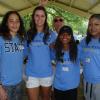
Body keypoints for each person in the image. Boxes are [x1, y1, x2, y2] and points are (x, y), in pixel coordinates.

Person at [25, 6, 56, 100]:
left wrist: (53, 49)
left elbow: (53, 56)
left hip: (46, 74)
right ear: (33, 17)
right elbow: (24, 53)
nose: (39, 18)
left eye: (42, 16)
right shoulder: (28, 34)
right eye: (37, 15)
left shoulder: (51, 34)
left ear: (46, 18)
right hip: (31, 74)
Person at [0, 11, 25, 100]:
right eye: (11, 21)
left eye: (17, 21)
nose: (15, 24)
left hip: (19, 82)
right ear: (6, 23)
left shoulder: (21, 39)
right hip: (4, 85)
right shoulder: (1, 39)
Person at [51, 25, 80, 100]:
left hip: (72, 87)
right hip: (58, 86)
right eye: (62, 34)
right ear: (59, 36)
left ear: (71, 36)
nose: (65, 36)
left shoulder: (78, 49)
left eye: (68, 34)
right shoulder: (55, 49)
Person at [79, 14, 100, 100]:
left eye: (96, 24)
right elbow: (77, 56)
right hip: (87, 80)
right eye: (90, 24)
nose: (92, 27)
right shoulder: (84, 41)